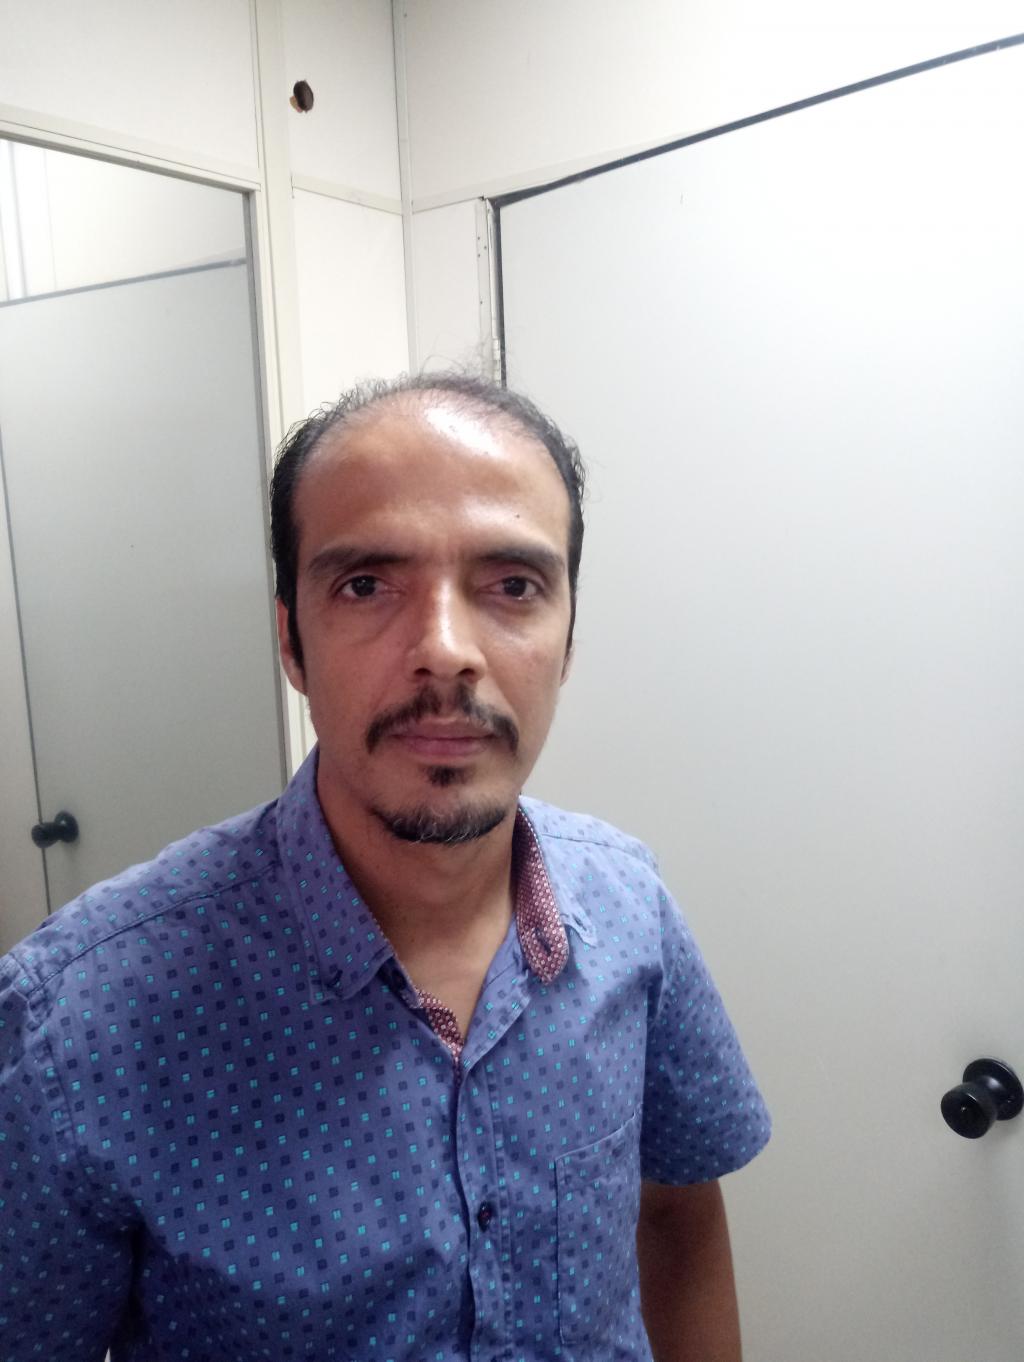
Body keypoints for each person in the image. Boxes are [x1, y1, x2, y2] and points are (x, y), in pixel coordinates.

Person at [0, 373, 769, 1362]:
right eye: (366, 584)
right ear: (292, 640)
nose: (445, 652)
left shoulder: (630, 908)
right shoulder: (74, 1027)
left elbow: (677, 1216)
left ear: (568, 637)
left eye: (513, 585)